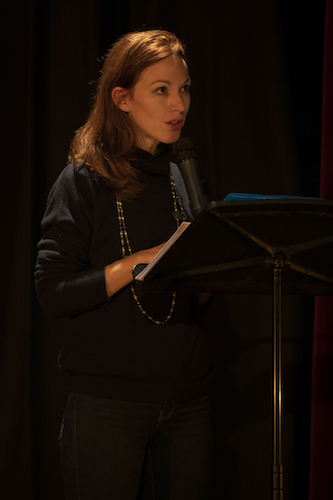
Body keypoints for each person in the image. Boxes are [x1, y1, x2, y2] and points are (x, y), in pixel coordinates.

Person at [35, 29, 213, 500]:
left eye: (184, 88)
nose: (179, 104)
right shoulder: (83, 180)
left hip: (187, 401)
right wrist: (135, 264)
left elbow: (195, 291)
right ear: (122, 98)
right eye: (161, 90)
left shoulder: (181, 175)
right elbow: (52, 293)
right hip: (107, 403)